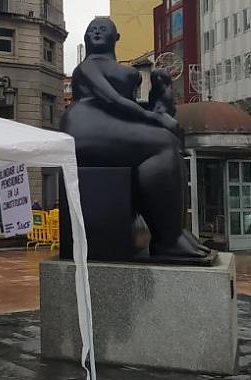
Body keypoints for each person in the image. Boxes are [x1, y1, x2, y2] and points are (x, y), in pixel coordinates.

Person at [60, 17, 204, 258]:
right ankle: (168, 240)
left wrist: (159, 101)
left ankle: (173, 231)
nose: (96, 32)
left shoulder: (117, 67)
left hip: (109, 123)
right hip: (86, 126)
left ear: (116, 38)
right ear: (85, 39)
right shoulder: (87, 67)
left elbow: (125, 106)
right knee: (162, 144)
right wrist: (157, 119)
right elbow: (113, 100)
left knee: (167, 142)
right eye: (91, 30)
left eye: (103, 29)